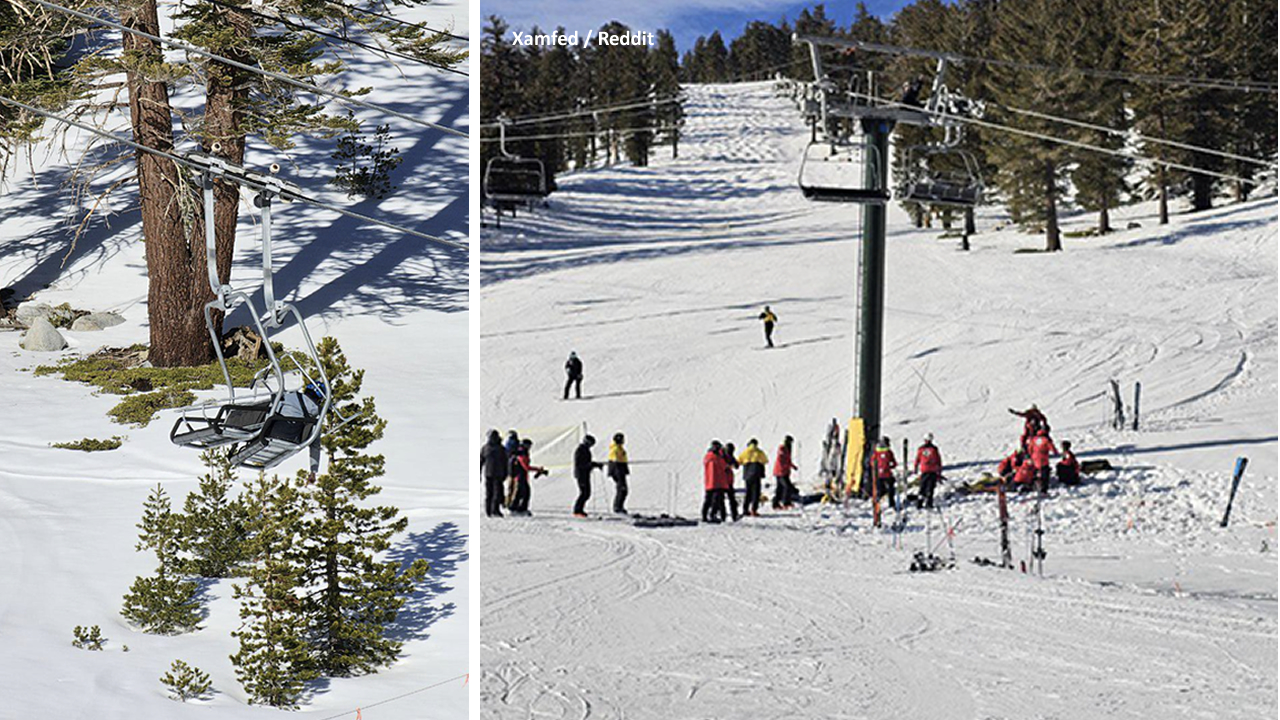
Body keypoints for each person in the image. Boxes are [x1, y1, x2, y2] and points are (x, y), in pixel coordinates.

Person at [508, 439, 547, 516]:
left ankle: (519, 508)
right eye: (528, 445)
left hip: (522, 476)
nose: (529, 447)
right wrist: (538, 469)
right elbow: (526, 467)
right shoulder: (522, 454)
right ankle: (515, 509)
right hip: (520, 477)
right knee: (522, 493)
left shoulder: (523, 452)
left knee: (524, 493)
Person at [479, 429, 509, 518]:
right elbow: (480, 462)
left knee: (497, 493)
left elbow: (505, 462)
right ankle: (489, 511)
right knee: (489, 493)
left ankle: (495, 510)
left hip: (498, 474)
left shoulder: (501, 448)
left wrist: (505, 473)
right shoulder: (485, 448)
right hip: (489, 474)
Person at [572, 434, 603, 517]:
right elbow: (580, 464)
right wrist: (591, 465)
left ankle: (580, 510)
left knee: (587, 493)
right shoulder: (580, 450)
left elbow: (587, 462)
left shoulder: (585, 450)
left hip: (585, 474)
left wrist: (594, 464)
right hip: (581, 474)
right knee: (584, 493)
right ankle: (577, 510)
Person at [737, 439, 768, 517]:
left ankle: (745, 510)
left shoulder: (745, 452)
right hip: (756, 475)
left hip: (747, 476)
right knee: (756, 494)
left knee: (748, 493)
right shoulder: (759, 452)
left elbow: (739, 461)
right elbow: (765, 461)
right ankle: (753, 510)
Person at [914, 433, 943, 509]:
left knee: (922, 488)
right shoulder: (934, 449)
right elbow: (938, 460)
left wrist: (915, 467)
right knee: (930, 488)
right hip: (932, 471)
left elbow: (917, 459)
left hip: (924, 470)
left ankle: (919, 503)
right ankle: (929, 504)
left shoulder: (921, 449)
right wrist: (939, 471)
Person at [702, 441, 728, 523]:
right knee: (717, 500)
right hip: (718, 482)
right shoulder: (717, 458)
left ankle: (704, 515)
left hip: (709, 482)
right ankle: (713, 515)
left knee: (707, 500)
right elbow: (724, 466)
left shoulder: (707, 457)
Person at [1027, 429, 1058, 494]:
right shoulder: (1046, 440)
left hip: (1035, 459)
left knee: (1035, 472)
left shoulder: (1034, 439)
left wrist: (1031, 455)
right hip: (1043, 459)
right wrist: (1055, 452)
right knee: (1045, 473)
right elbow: (1052, 448)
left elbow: (1030, 449)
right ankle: (1044, 488)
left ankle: (1035, 484)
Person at [608, 432, 631, 515]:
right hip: (617, 471)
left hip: (620, 470)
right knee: (622, 489)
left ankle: (619, 506)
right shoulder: (616, 449)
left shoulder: (619, 448)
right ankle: (617, 507)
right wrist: (619, 471)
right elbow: (615, 461)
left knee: (623, 489)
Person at [772, 435, 798, 509]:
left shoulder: (787, 449)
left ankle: (776, 503)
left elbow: (787, 460)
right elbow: (781, 460)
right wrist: (786, 466)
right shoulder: (782, 448)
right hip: (780, 472)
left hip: (783, 472)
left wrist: (792, 466)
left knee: (780, 488)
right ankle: (786, 502)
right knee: (787, 487)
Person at [871, 436, 897, 508]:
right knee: (890, 489)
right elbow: (894, 463)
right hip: (887, 474)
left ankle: (878, 504)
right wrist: (890, 466)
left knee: (880, 490)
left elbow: (872, 462)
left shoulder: (876, 452)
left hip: (879, 474)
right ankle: (890, 503)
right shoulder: (888, 452)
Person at [721, 442, 741, 521]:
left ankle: (734, 515)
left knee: (732, 499)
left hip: (728, 480)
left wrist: (733, 464)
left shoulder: (730, 456)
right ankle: (723, 515)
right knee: (722, 499)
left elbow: (736, 465)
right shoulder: (721, 456)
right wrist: (728, 465)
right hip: (723, 480)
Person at [503, 429, 521, 508]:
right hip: (515, 469)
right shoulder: (517, 444)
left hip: (509, 468)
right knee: (514, 488)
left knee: (510, 487)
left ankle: (507, 502)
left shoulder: (507, 445)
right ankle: (511, 503)